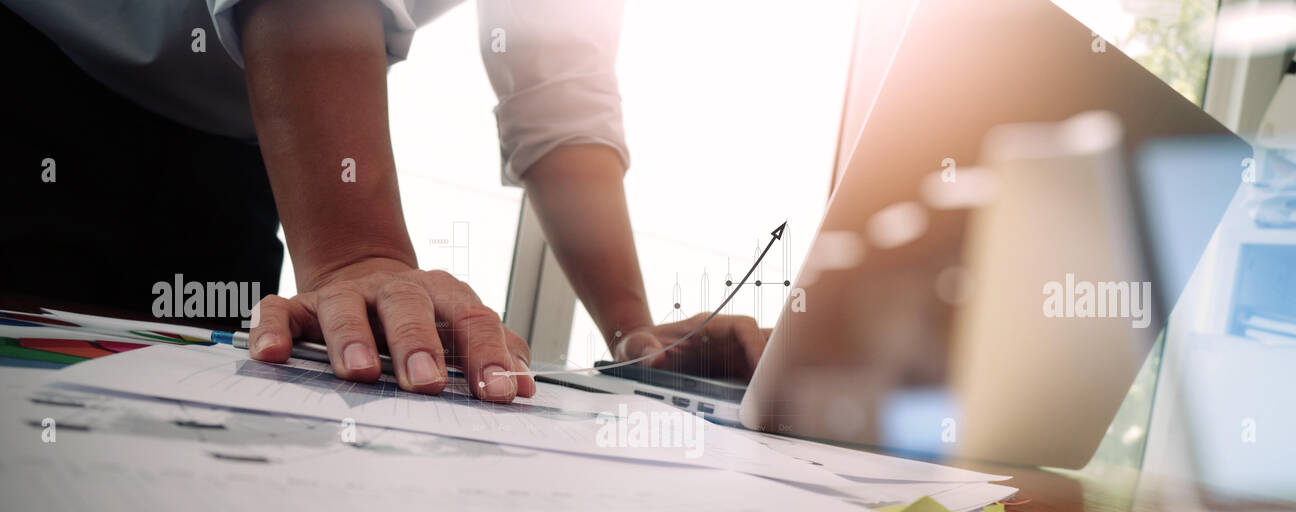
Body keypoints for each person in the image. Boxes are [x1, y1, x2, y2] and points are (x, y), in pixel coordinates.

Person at [0, 0, 770, 402]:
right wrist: (359, 253)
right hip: (43, 80)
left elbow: (559, 89)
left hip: (247, 144)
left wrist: (637, 336)